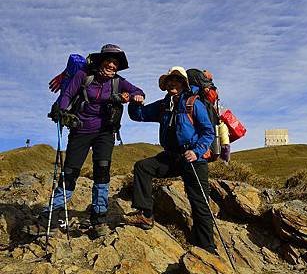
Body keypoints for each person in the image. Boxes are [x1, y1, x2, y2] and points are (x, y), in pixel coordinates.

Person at [38, 44, 145, 238]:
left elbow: (139, 91)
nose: (112, 65)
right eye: (109, 61)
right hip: (80, 130)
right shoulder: (83, 75)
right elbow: (68, 94)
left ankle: (99, 218)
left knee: (102, 173)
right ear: (100, 61)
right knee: (70, 172)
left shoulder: (119, 82)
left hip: (105, 133)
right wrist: (62, 111)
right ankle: (51, 216)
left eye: (115, 63)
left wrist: (137, 95)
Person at [126, 66, 217, 254]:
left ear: (184, 83)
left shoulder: (194, 103)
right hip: (171, 156)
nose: (172, 83)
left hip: (192, 158)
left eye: (176, 80)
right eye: (169, 81)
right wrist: (135, 103)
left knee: (199, 201)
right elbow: (139, 115)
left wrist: (197, 151)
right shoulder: (163, 105)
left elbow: (208, 132)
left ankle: (206, 246)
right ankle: (146, 214)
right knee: (143, 167)